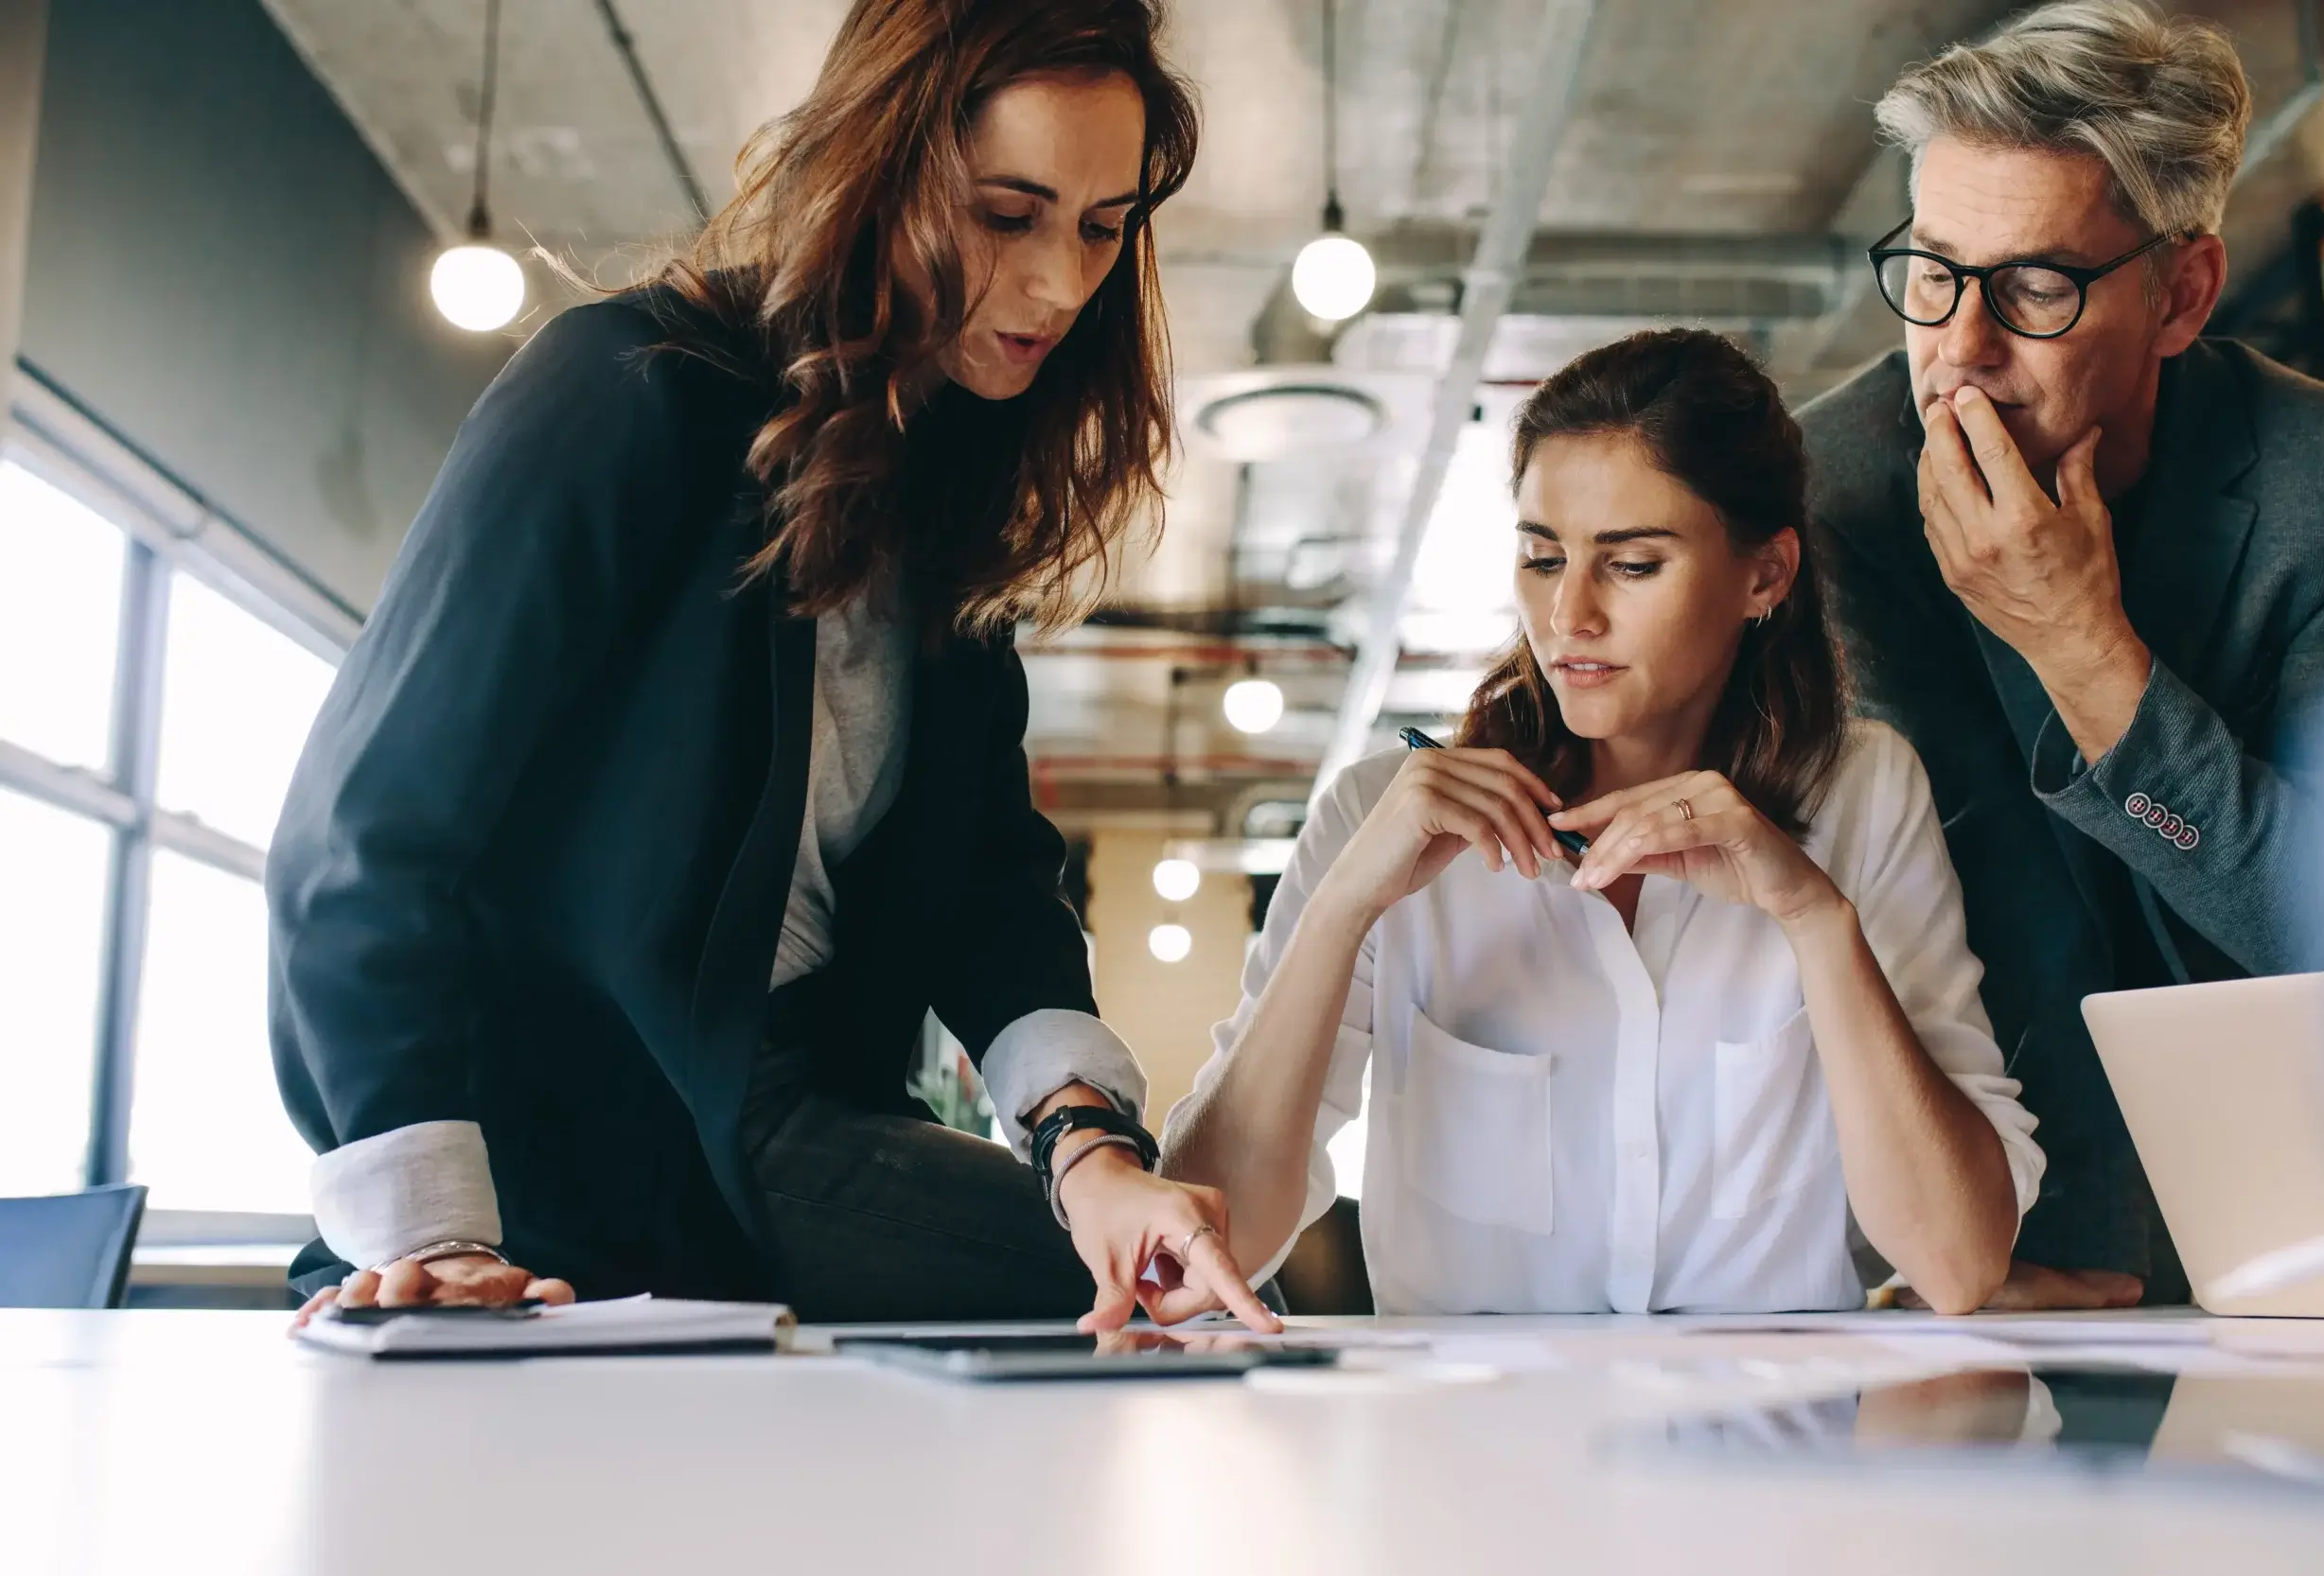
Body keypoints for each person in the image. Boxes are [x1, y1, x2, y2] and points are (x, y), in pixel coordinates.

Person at [274, 0, 1276, 1335]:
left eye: (1103, 227)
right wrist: (433, 1228)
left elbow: (990, 886)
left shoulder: (939, 494)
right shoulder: (625, 391)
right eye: (1006, 212)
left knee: (1168, 1280)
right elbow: (367, 840)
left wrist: (1089, 1147)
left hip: (791, 1117)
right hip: (572, 1155)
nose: (1060, 284)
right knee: (1155, 1310)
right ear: (880, 171)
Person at [1161, 330, 2045, 1316]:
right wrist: (1340, 912)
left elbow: (1958, 1263)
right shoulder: (1380, 817)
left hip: (1772, 1449)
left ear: (1765, 576)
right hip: (1471, 1450)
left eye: (1629, 565)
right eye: (1542, 558)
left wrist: (1812, 918)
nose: (1567, 615)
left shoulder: (1865, 794)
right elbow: (1206, 1250)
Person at [1798, 0, 2324, 1308]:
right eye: (1930, 271)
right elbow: (1923, 908)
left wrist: (2085, 653)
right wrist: (2009, 1239)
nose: (1956, 352)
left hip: (2317, 1228)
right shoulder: (1824, 501)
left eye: (2033, 285)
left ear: (2183, 294)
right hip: (1969, 1245)